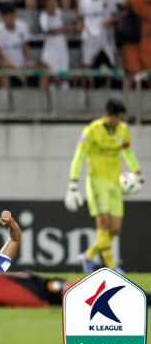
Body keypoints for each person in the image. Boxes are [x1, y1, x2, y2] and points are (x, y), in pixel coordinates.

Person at [65, 98, 143, 273]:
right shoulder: (92, 131)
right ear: (107, 115)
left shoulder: (123, 130)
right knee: (104, 224)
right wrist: (73, 182)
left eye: (121, 118)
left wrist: (136, 171)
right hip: (97, 182)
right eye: (116, 118)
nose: (119, 122)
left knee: (115, 229)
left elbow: (127, 151)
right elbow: (79, 157)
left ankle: (89, 255)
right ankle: (112, 266)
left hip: (115, 183)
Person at [77, 0, 119, 85]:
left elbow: (117, 16)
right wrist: (79, 28)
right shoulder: (83, 0)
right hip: (89, 38)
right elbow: (80, 18)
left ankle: (113, 90)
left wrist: (109, 21)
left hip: (105, 37)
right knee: (85, 64)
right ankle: (82, 93)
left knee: (112, 64)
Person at [0, 4, 33, 88]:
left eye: (10, 16)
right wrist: (12, 65)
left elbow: (25, 45)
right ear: (2, 17)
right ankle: (4, 97)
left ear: (14, 15)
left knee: (42, 68)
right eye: (5, 16)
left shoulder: (22, 26)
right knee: (2, 69)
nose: (8, 19)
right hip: (6, 64)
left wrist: (27, 60)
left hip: (20, 64)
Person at [39, 0, 70, 87]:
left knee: (64, 79)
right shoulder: (43, 16)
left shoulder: (59, 13)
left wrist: (69, 30)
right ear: (47, 2)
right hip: (51, 51)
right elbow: (49, 31)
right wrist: (64, 29)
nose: (55, 2)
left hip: (62, 49)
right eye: (53, 0)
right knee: (51, 79)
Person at [122, 0, 151, 79]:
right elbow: (123, 4)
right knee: (130, 70)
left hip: (147, 42)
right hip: (132, 40)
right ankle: (127, 93)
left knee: (149, 72)